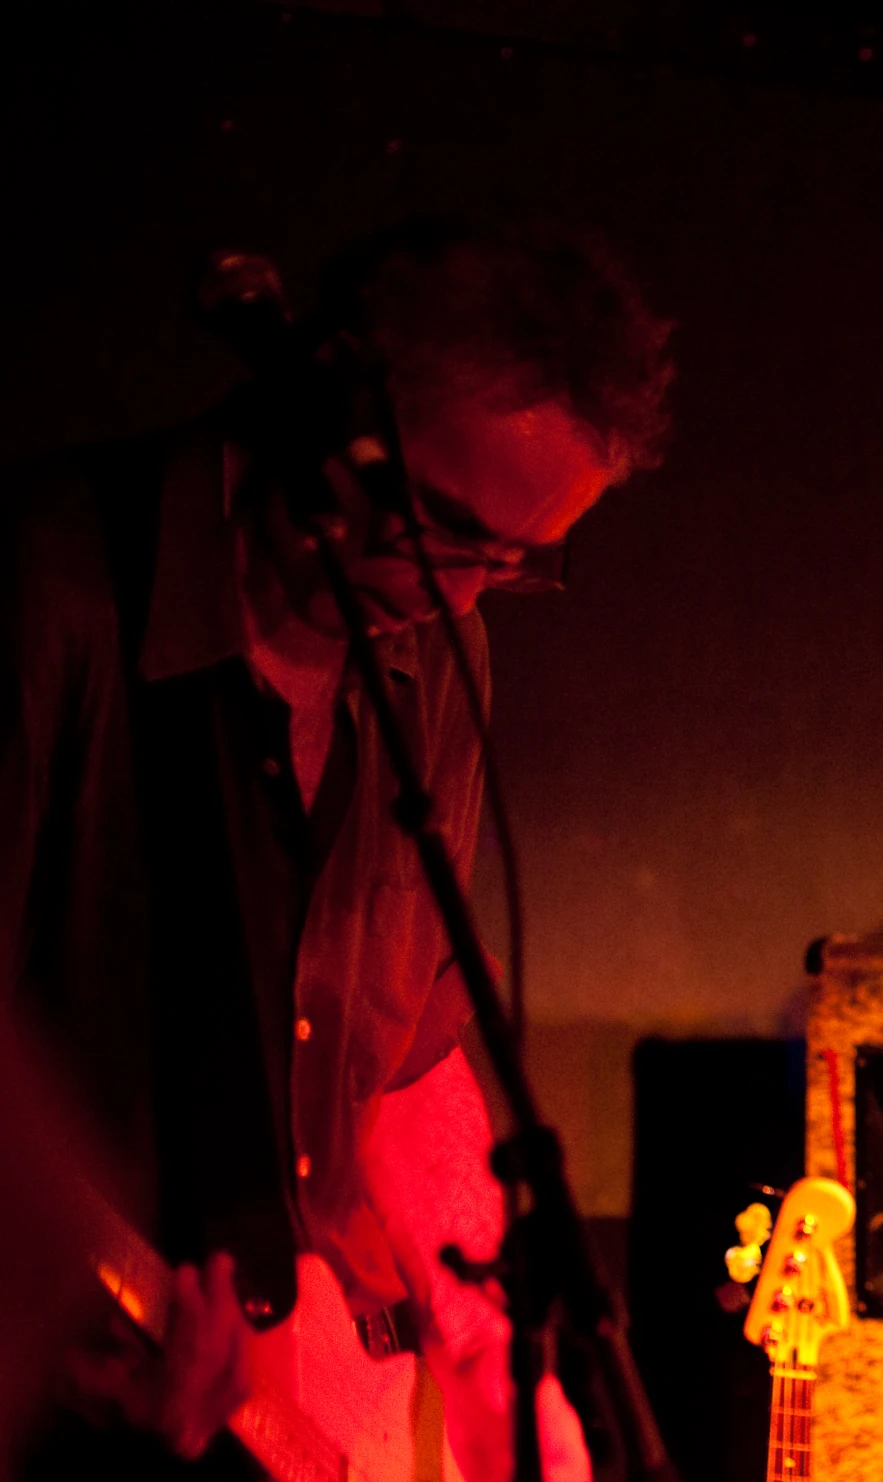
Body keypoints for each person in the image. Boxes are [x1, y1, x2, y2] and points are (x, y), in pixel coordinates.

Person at [2, 218, 674, 1481]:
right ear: (326, 407)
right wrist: (75, 1327)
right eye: (438, 527)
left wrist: (485, 1355)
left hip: (256, 1387)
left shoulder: (435, 655)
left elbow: (399, 1057)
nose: (462, 592)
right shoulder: (53, 590)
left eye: (515, 562)